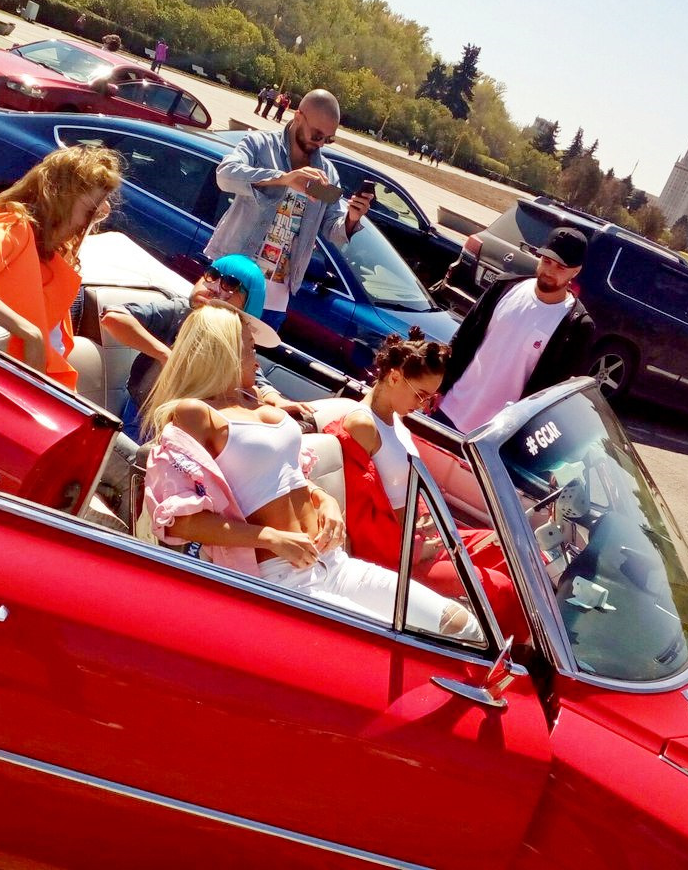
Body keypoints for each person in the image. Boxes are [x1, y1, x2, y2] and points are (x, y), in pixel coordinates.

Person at [142, 303, 479, 638]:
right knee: (397, 646)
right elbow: (178, 520)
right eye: (249, 350)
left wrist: (323, 499)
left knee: (462, 627)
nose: (256, 361)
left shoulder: (254, 399)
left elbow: (287, 472)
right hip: (280, 577)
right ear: (222, 352)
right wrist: (270, 538)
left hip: (332, 562)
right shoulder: (194, 414)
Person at [320, 330, 522, 636]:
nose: (425, 405)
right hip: (399, 556)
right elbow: (360, 520)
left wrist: (430, 526)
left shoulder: (396, 420)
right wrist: (416, 549)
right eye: (420, 395)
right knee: (500, 588)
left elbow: (405, 488)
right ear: (394, 377)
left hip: (423, 537)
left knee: (510, 552)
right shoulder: (362, 425)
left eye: (431, 397)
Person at [0, 145, 121, 390]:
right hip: (10, 386)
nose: (100, 215)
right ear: (62, 199)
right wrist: (29, 333)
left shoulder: (54, 252)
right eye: (91, 211)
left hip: (42, 387)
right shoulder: (14, 225)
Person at [205, 88, 374, 330]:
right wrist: (283, 178)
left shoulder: (326, 173)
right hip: (230, 283)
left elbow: (332, 229)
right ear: (297, 117)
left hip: (275, 299)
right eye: (317, 135)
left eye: (328, 139)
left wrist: (352, 218)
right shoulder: (260, 145)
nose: (321, 144)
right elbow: (225, 176)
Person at [98, 253, 308, 440]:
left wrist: (275, 399)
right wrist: (166, 356)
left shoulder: (237, 336)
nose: (213, 287)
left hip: (191, 431)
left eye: (230, 284)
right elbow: (113, 317)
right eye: (212, 275)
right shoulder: (180, 311)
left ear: (248, 304)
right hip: (144, 416)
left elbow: (252, 372)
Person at [433, 226, 594, 433]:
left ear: (576, 271)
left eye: (561, 267)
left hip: (495, 435)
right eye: (546, 261)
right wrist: (438, 386)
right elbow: (463, 339)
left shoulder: (576, 325)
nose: (549, 271)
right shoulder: (504, 287)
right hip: (448, 409)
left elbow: (556, 397)